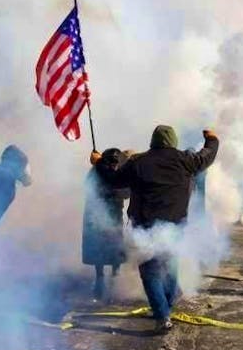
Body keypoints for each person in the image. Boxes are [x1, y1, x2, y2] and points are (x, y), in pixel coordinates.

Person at [95, 125, 219, 333]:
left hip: (146, 226)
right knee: (169, 265)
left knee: (150, 271)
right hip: (175, 223)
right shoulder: (185, 160)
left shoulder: (138, 162)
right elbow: (207, 156)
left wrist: (99, 163)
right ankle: (166, 308)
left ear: (153, 141)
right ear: (173, 141)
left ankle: (162, 315)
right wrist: (212, 139)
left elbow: (114, 181)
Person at [82, 148, 130, 301]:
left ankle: (112, 280)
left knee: (113, 248)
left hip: (111, 216)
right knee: (101, 248)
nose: (115, 164)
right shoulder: (97, 172)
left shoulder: (101, 171)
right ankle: (102, 280)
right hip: (98, 216)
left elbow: (126, 192)